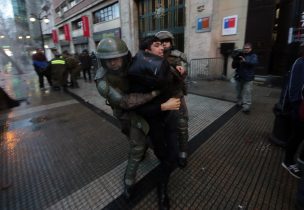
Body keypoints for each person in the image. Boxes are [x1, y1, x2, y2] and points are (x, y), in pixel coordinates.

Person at [94, 37, 180, 201]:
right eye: (108, 60)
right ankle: (129, 182)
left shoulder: (133, 62)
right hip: (126, 113)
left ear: (124, 56)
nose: (112, 63)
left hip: (146, 109)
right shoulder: (103, 81)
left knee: (143, 144)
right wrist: (154, 94)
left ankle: (134, 177)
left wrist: (177, 70)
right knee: (137, 146)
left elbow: (158, 67)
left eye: (116, 57)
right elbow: (125, 102)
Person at [128, 36, 181, 210]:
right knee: (163, 155)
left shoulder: (165, 65)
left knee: (172, 156)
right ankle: (162, 189)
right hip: (155, 123)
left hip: (171, 118)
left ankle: (162, 188)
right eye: (156, 45)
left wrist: (180, 71)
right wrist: (162, 106)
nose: (162, 48)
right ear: (147, 51)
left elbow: (175, 81)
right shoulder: (138, 74)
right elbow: (138, 108)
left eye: (162, 45)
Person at [155, 30, 189, 168]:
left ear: (171, 42)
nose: (164, 45)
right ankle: (166, 152)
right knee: (162, 128)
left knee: (181, 126)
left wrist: (181, 69)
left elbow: (183, 72)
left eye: (166, 42)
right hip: (161, 98)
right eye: (160, 42)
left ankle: (183, 152)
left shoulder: (177, 56)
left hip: (176, 96)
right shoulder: (153, 56)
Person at [281, 42, 304, 179]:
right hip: (300, 108)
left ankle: (300, 158)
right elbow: (294, 90)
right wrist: (296, 107)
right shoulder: (300, 63)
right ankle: (288, 161)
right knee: (296, 136)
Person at [232, 43, 258, 113]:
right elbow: (233, 66)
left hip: (248, 78)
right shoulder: (240, 55)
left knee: (247, 92)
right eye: (245, 48)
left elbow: (254, 63)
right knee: (238, 91)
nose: (246, 50)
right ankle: (239, 102)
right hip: (239, 77)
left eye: (248, 48)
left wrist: (245, 61)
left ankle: (246, 107)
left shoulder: (253, 55)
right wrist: (235, 59)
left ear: (251, 49)